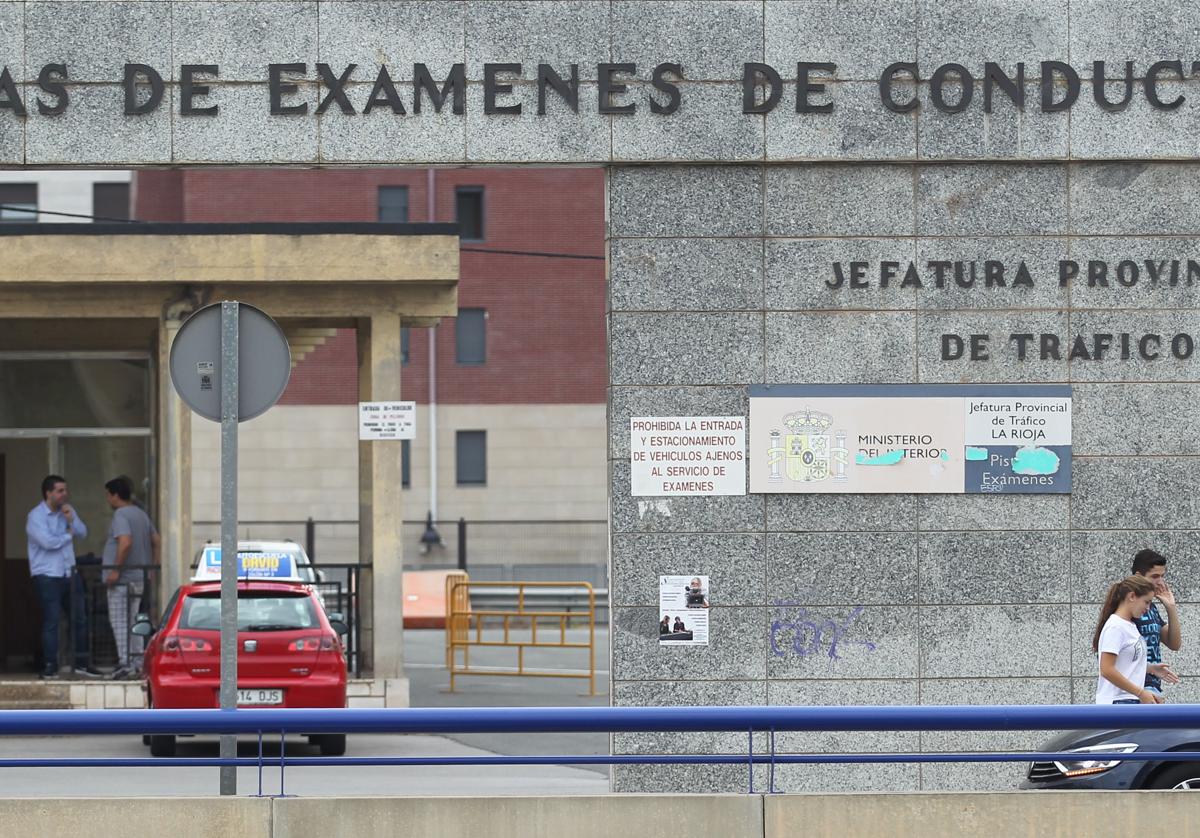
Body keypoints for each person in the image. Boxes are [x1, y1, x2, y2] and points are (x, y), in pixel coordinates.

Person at [26, 475, 99, 679]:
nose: (64, 494)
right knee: (52, 621)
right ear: (48, 493)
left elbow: (83, 533)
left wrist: (71, 520)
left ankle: (82, 664)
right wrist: (68, 533)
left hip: (69, 572)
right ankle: (50, 666)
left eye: (65, 490)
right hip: (47, 575)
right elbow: (48, 543)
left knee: (80, 619)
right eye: (59, 491)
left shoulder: (68, 511)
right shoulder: (35, 517)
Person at [102, 476, 161, 680]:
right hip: (139, 577)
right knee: (134, 622)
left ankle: (125, 664)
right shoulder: (141, 514)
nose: (107, 499)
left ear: (115, 495)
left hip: (123, 580)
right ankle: (136, 663)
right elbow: (156, 540)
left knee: (119, 622)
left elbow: (125, 542)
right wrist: (151, 568)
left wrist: (116, 570)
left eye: (108, 495)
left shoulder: (121, 515)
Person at [1093, 575, 1163, 704]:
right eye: (1146, 602)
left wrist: (1150, 668)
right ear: (1131, 596)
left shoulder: (1129, 625)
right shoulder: (1116, 627)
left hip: (1127, 701)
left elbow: (1124, 663)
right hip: (1117, 702)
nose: (1148, 608)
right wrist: (1141, 693)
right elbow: (1106, 669)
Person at [1131, 548, 1182, 696]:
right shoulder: (1127, 606)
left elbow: (1174, 644)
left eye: (1162, 576)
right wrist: (1150, 669)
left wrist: (1171, 608)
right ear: (1139, 576)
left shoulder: (1150, 607)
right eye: (1154, 576)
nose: (1160, 582)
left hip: (1152, 686)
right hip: (1133, 689)